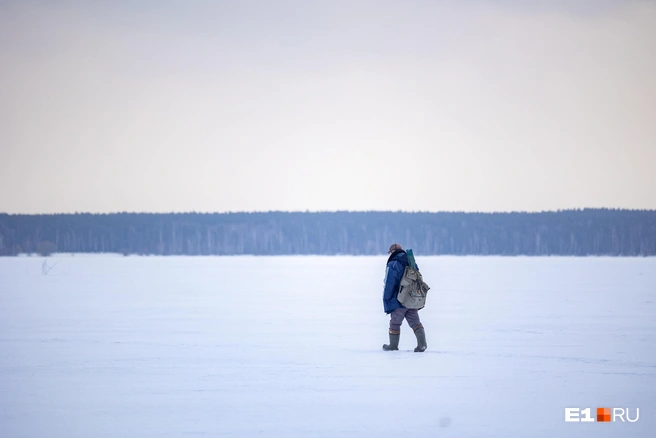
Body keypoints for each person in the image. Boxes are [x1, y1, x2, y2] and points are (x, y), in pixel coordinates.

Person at [382, 243, 427, 352]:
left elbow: (390, 283)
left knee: (395, 322)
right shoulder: (411, 262)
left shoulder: (393, 264)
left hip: (399, 299)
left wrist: (386, 298)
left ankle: (393, 346)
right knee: (415, 321)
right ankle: (422, 344)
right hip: (412, 298)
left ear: (392, 252)